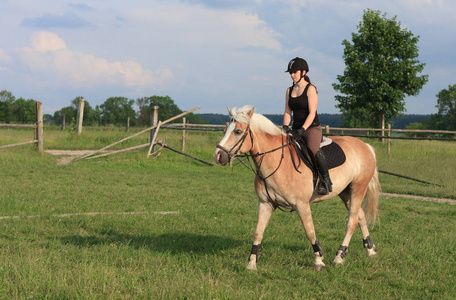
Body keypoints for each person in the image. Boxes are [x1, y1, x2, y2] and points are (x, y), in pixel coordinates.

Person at [282, 57, 332, 195]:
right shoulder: (289, 90)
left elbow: (312, 113)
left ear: (303, 72)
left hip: (311, 128)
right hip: (295, 128)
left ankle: (325, 181)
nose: (292, 75)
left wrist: (302, 129)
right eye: (290, 73)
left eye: (294, 72)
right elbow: (287, 112)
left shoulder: (311, 89)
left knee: (313, 149)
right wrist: (285, 127)